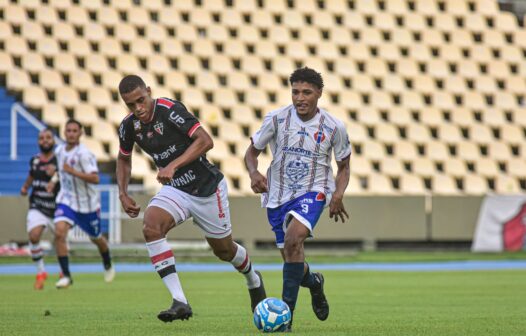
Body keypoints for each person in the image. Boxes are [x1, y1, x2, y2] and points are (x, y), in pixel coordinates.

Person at [116, 75, 266, 322]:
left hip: (207, 189)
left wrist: (173, 165)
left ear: (149, 92)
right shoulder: (128, 126)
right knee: (151, 226)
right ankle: (180, 301)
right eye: (130, 105)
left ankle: (253, 279)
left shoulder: (169, 110)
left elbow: (206, 141)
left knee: (224, 250)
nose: (138, 108)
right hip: (176, 190)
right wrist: (123, 192)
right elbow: (123, 158)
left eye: (141, 100)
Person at [244, 67, 351, 331]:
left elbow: (344, 165)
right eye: (295, 92)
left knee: (294, 240)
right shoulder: (277, 119)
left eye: (306, 92)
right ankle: (314, 283)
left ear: (319, 94)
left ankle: (285, 319)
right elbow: (251, 153)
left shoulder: (334, 126)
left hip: (313, 191)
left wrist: (337, 194)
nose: (300, 98)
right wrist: (254, 172)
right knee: (292, 258)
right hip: (277, 195)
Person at [46, 119, 115, 288]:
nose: (71, 134)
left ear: (80, 133)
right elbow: (61, 170)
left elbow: (95, 178)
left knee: (96, 238)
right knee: (59, 233)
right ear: (64, 132)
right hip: (66, 200)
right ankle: (67, 276)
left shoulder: (84, 154)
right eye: (68, 130)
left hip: (87, 205)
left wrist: (73, 171)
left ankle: (107, 261)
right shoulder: (59, 150)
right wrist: (54, 180)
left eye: (74, 131)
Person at [20, 128, 60, 290]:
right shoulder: (35, 160)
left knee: (61, 241)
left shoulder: (59, 160)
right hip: (38, 205)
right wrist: (25, 187)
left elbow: (67, 178)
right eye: (42, 138)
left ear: (53, 140)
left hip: (57, 207)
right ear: (38, 141)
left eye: (48, 137)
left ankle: (64, 272)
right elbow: (31, 174)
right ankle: (41, 272)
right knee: (34, 235)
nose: (45, 140)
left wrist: (56, 175)